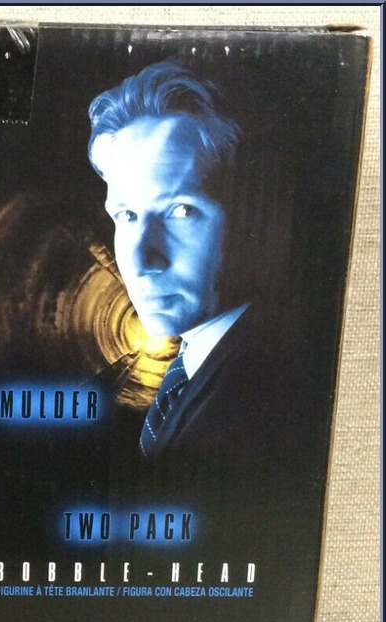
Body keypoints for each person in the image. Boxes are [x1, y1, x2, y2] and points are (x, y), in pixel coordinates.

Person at [87, 61, 300, 476]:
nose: (141, 261)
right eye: (127, 215)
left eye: (180, 210)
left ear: (252, 214)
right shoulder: (208, 362)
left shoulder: (262, 400)